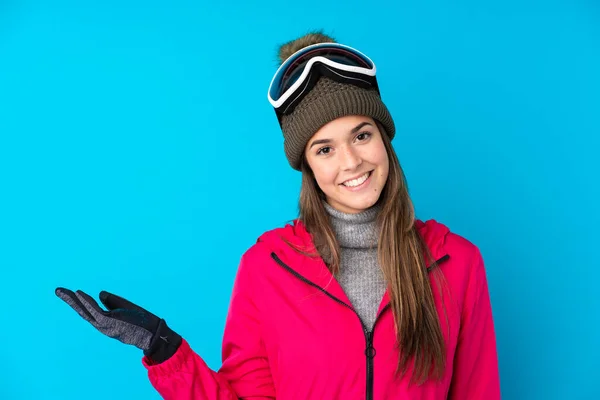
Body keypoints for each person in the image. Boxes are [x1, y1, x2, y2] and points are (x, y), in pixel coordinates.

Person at [56, 31, 501, 399]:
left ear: (384, 139)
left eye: (361, 135)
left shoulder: (458, 264)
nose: (350, 162)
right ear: (307, 164)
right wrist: (165, 350)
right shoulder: (266, 268)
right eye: (324, 148)